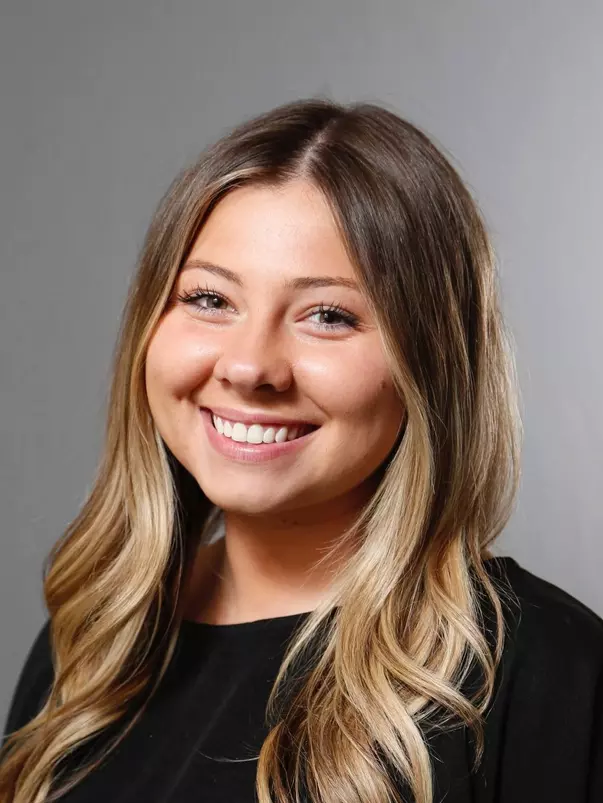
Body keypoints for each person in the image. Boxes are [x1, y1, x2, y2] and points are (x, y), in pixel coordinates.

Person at [1, 98, 602, 803]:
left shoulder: (541, 671)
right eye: (209, 299)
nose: (250, 367)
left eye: (328, 315)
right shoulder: (93, 645)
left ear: (432, 367)